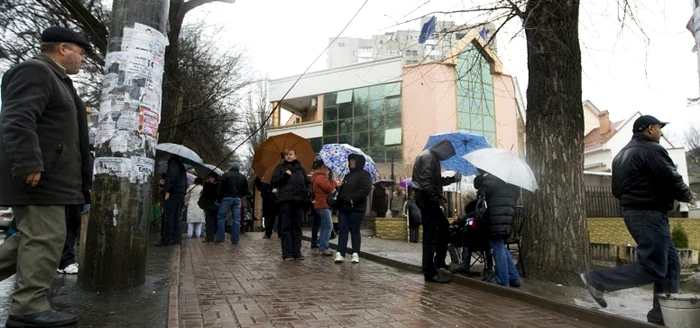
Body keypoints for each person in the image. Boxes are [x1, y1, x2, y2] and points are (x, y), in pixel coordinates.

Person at [0, 26, 92, 327]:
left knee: (32, 239)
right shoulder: (35, 71)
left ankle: (29, 304)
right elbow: (16, 119)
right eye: (81, 53)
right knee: (44, 238)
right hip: (40, 177)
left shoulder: (59, 80)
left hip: (51, 177)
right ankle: (28, 308)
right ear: (63, 48)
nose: (83, 60)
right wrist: (29, 162)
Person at [581, 115, 696, 326]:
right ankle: (597, 280)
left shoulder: (621, 155)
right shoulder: (652, 150)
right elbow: (671, 176)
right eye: (660, 129)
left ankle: (660, 317)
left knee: (671, 265)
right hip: (650, 214)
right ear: (650, 129)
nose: (662, 133)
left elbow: (616, 190)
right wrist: (687, 195)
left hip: (634, 213)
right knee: (654, 267)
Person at [412, 140, 461, 283]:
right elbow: (426, 182)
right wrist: (435, 198)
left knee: (444, 226)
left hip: (427, 198)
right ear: (443, 150)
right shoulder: (429, 157)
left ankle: (438, 261)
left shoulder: (432, 157)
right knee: (430, 235)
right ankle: (429, 271)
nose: (446, 158)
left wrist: (452, 179)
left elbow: (435, 181)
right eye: (447, 154)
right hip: (427, 200)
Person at [474, 171, 521, 287]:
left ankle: (502, 280)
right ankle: (514, 277)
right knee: (501, 246)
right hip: (507, 216)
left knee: (497, 246)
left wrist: (480, 180)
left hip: (494, 216)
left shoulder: (490, 179)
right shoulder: (512, 180)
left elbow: (482, 195)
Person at [271, 150, 311, 260]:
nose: (288, 156)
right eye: (286, 155)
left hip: (298, 201)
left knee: (297, 227)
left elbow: (308, 182)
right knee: (286, 226)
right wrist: (284, 176)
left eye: (290, 154)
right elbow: (274, 182)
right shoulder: (280, 168)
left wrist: (308, 191)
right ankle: (287, 253)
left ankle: (297, 252)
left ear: (295, 156)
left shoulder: (300, 170)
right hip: (286, 200)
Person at [334, 154, 372, 264]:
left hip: (357, 208)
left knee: (355, 230)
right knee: (343, 230)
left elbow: (365, 189)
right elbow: (341, 192)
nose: (350, 162)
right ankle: (340, 253)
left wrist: (352, 199)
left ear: (358, 162)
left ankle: (355, 253)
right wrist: (339, 187)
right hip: (344, 207)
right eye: (350, 160)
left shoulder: (365, 175)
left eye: (353, 160)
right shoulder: (347, 175)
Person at [155, 154, 187, 246]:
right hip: (180, 192)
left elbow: (171, 178)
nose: (166, 155)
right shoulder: (179, 164)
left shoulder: (173, 164)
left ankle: (166, 239)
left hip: (174, 192)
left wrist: (167, 190)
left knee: (168, 215)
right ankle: (176, 238)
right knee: (176, 216)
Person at [217, 162, 248, 245]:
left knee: (221, 217)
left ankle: (220, 237)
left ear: (231, 167)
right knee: (236, 220)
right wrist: (240, 195)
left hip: (226, 198)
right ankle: (235, 240)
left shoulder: (225, 175)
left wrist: (219, 199)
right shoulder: (243, 177)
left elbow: (220, 188)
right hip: (237, 199)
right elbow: (246, 190)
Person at [312, 158, 337, 256]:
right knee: (328, 226)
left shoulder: (319, 177)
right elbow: (329, 188)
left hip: (322, 204)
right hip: (323, 204)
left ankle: (322, 245)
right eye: (326, 167)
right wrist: (335, 183)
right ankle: (323, 247)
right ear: (322, 167)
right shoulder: (320, 177)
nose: (327, 169)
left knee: (324, 226)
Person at [200, 174, 220, 243]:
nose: (210, 179)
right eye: (210, 177)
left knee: (215, 221)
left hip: (214, 206)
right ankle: (208, 237)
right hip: (208, 205)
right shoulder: (207, 184)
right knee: (208, 222)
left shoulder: (218, 186)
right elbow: (204, 194)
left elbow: (218, 195)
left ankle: (214, 236)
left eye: (212, 178)